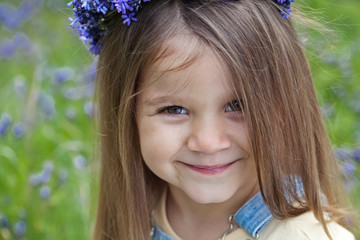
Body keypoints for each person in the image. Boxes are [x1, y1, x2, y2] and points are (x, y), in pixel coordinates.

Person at [68, 0, 356, 239]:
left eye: (237, 105)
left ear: (286, 106)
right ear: (126, 115)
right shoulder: (136, 218)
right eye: (174, 110)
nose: (207, 142)